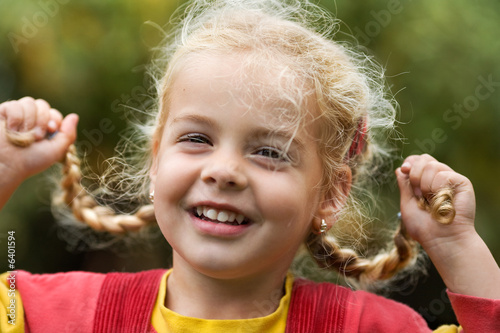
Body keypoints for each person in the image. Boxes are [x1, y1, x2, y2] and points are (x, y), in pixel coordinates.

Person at [1, 0, 499, 332]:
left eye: (269, 152)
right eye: (196, 138)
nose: (225, 171)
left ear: (330, 193)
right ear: (156, 162)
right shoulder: (60, 314)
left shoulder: (370, 327)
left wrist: (456, 246)